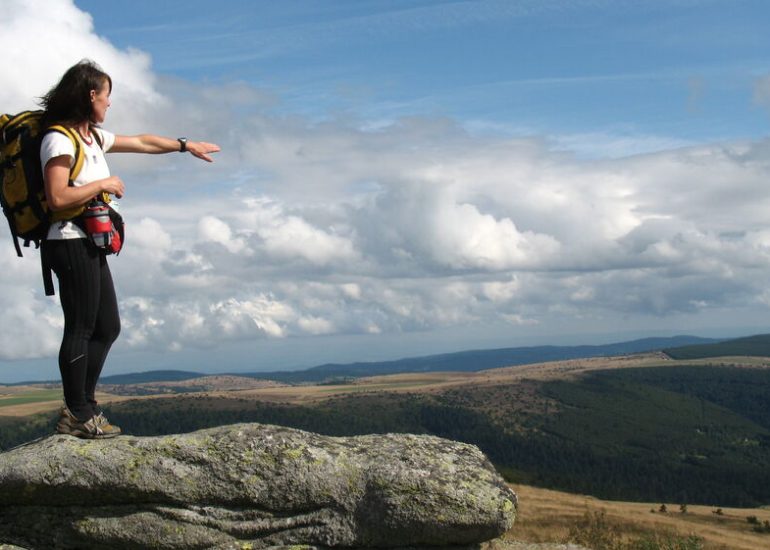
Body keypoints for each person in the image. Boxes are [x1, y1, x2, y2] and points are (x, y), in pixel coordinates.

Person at [39, 60, 220, 439]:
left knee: (107, 326)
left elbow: (140, 141)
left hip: (88, 244)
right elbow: (56, 197)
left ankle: (84, 407)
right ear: (90, 96)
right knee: (81, 327)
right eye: (106, 97)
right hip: (68, 242)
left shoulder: (91, 137)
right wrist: (103, 183)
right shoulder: (59, 139)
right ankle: (77, 412)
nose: (108, 105)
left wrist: (185, 146)